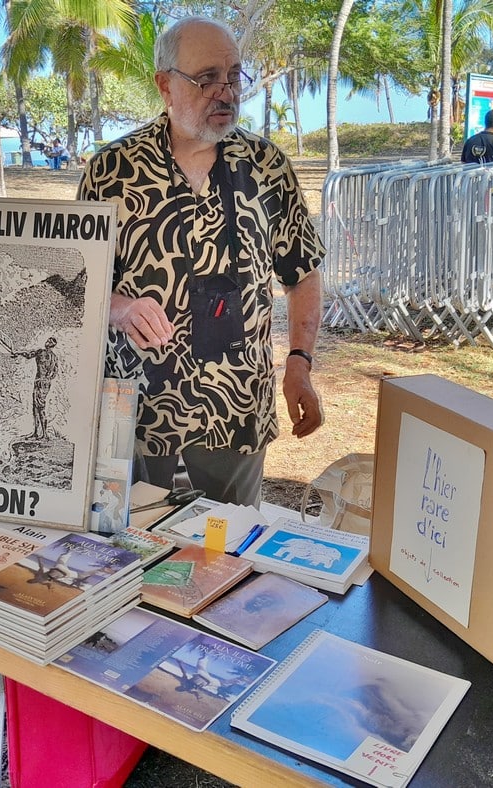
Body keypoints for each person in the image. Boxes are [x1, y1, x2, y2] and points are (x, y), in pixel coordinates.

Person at [77, 16, 325, 508]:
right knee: (136, 553)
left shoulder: (268, 166)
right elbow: (75, 283)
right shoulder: (111, 171)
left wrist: (300, 361)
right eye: (206, 77)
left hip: (238, 409)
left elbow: (303, 271)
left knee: (232, 561)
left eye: (234, 75)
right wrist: (120, 307)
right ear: (165, 85)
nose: (225, 92)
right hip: (140, 411)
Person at [11, 337, 60, 440]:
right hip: (45, 383)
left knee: (39, 408)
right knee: (36, 407)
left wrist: (17, 353)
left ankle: (44, 434)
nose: (46, 342)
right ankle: (37, 432)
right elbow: (55, 372)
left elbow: (28, 355)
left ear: (50, 344)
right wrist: (47, 379)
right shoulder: (54, 357)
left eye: (48, 341)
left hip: (40, 382)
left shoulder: (41, 352)